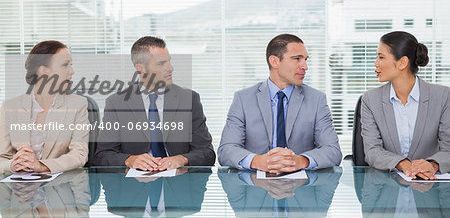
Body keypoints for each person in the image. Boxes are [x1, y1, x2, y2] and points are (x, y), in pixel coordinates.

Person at [218, 34, 342, 173]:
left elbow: (333, 151)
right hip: (255, 187)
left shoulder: (317, 99)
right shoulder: (243, 99)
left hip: (301, 189)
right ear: (275, 62)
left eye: (305, 60)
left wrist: (301, 160)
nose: (305, 66)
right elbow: (226, 150)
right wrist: (258, 161)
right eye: (297, 59)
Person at [94, 36, 215, 170]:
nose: (170, 68)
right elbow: (102, 156)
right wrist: (129, 160)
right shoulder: (117, 103)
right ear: (140, 68)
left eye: (169, 61)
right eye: (161, 63)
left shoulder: (189, 99)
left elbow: (207, 153)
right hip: (136, 185)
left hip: (178, 184)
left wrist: (183, 159)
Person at [361, 31, 450, 180]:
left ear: (402, 62)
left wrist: (432, 165)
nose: (376, 63)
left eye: (381, 57)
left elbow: (448, 148)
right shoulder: (370, 100)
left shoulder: (442, 97)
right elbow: (372, 151)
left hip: (430, 188)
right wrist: (405, 165)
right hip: (388, 190)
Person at [0, 40, 90, 174]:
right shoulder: (9, 108)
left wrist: (41, 166)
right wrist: (14, 164)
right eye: (65, 65)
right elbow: (2, 158)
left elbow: (79, 155)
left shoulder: (78, 105)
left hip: (59, 188)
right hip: (20, 191)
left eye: (71, 65)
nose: (72, 71)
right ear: (43, 70)